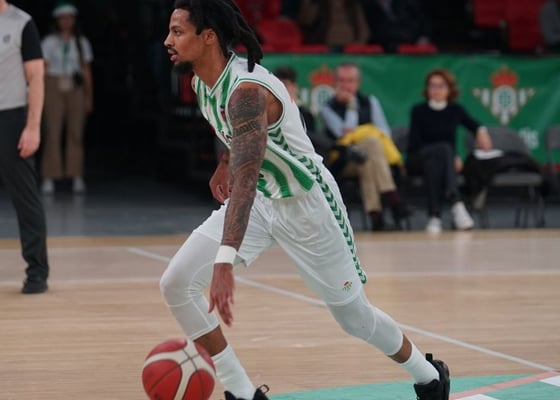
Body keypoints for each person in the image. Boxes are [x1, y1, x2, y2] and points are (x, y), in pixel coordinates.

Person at [160, 2, 449, 400]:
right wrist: (225, 161)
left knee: (354, 318)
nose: (167, 41)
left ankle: (428, 375)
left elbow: (246, 179)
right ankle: (242, 392)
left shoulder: (247, 93)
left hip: (307, 205)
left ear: (208, 37)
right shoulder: (201, 82)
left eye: (177, 32)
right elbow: (235, 139)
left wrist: (224, 262)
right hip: (262, 201)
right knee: (176, 283)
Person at [320, 62, 409, 231]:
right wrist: (352, 106)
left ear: (358, 83)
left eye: (350, 81)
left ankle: (376, 217)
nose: (345, 85)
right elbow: (344, 135)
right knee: (371, 143)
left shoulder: (370, 101)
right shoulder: (327, 108)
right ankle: (392, 198)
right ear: (335, 83)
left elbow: (384, 132)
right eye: (341, 80)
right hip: (345, 161)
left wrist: (361, 137)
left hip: (368, 159)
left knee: (368, 155)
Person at [0, 0, 50, 293]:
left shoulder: (21, 23)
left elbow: (36, 77)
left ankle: (37, 271)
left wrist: (32, 127)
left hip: (11, 117)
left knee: (24, 197)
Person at [406, 68, 492, 234]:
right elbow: (415, 143)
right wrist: (451, 156)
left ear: (449, 89)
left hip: (439, 163)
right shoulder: (418, 110)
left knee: (437, 163)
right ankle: (456, 203)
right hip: (418, 159)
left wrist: (481, 131)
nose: (436, 90)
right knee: (443, 150)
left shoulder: (455, 110)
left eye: (440, 86)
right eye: (432, 86)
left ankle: (435, 217)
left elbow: (473, 124)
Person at [40, 1, 94, 195]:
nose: (65, 22)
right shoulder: (48, 42)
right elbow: (42, 69)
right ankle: (50, 175)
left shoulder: (81, 42)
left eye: (69, 18)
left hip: (74, 85)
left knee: (75, 131)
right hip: (54, 84)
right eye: (62, 18)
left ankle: (75, 174)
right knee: (52, 130)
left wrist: (89, 97)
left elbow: (86, 71)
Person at [297, 0, 369, 52]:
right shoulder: (321, 3)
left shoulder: (353, 4)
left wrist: (358, 44)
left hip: (350, 44)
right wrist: (309, 2)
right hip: (327, 44)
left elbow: (363, 29)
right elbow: (306, 20)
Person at [363, 0, 431, 53]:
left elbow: (423, 23)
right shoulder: (367, 7)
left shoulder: (408, 3)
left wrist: (423, 38)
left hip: (413, 49)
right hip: (386, 52)